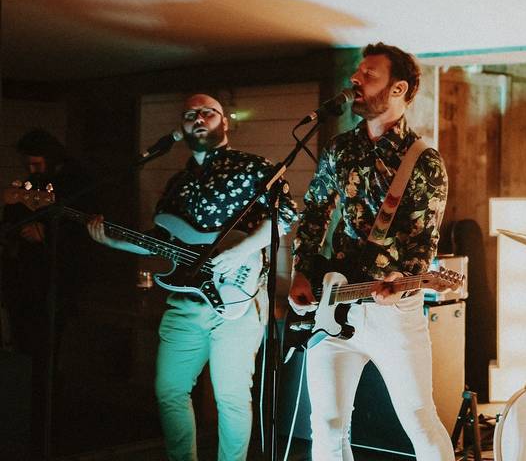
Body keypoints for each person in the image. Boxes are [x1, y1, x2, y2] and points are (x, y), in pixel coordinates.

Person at [87, 94, 297, 461]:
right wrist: (115, 242)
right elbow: (162, 242)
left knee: (230, 396)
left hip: (240, 299)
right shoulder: (176, 183)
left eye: (207, 113)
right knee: (169, 390)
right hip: (186, 302)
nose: (198, 119)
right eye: (189, 115)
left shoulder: (253, 166)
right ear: (182, 127)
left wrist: (240, 250)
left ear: (224, 122)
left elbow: (284, 216)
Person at [288, 43, 454, 461]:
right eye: (357, 73)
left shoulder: (424, 161)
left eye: (369, 74)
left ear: (398, 88)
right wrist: (302, 272)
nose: (355, 80)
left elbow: (424, 241)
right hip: (333, 302)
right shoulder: (341, 149)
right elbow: (314, 215)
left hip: (392, 311)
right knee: (325, 425)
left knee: (418, 419)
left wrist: (405, 278)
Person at [1, 128, 92, 453]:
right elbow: (12, 217)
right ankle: (28, 410)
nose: (32, 171)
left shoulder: (77, 181)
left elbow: (86, 232)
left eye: (37, 165)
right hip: (24, 279)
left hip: (58, 280)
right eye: (28, 165)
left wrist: (48, 235)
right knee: (26, 348)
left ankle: (51, 414)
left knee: (50, 346)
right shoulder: (32, 182)